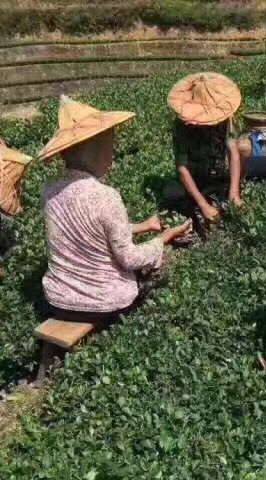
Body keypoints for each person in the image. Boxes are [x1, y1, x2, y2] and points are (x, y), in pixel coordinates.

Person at [38, 96, 191, 324]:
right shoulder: (106, 196)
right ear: (97, 151)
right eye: (110, 147)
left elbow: (92, 231)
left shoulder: (49, 189)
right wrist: (162, 239)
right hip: (104, 305)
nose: (112, 154)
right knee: (162, 262)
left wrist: (145, 226)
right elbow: (128, 258)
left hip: (58, 301)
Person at [166, 72, 245, 222]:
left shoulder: (226, 118)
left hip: (221, 170)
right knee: (172, 193)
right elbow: (182, 169)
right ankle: (201, 198)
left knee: (260, 158)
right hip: (196, 175)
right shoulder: (181, 126)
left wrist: (234, 193)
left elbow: (233, 151)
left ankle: (226, 189)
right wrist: (203, 205)